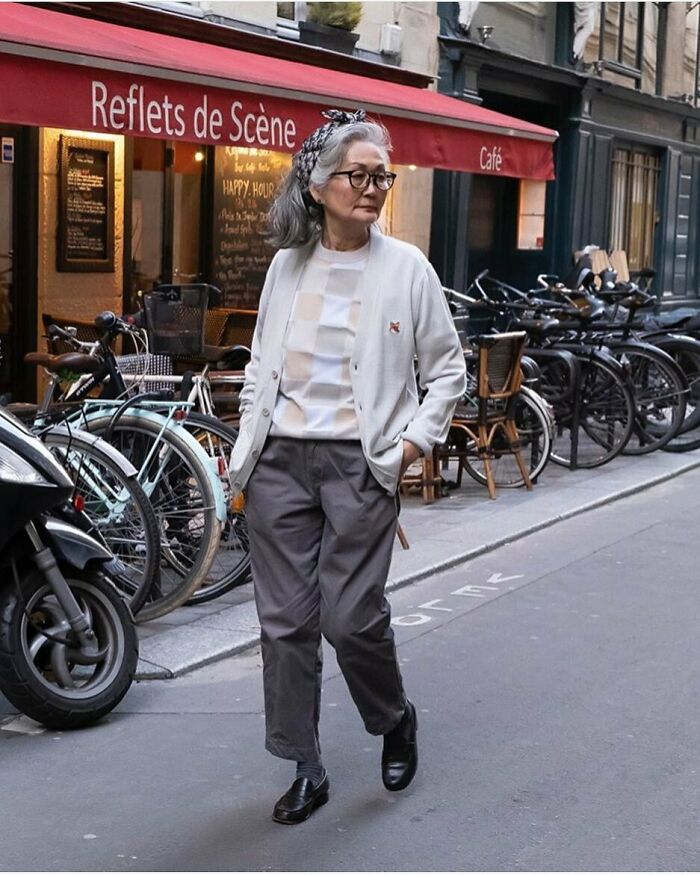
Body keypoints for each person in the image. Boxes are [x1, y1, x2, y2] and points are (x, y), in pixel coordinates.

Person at [229, 109, 466, 825]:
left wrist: (414, 444)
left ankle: (393, 716)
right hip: (279, 464)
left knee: (351, 618)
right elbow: (261, 365)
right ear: (317, 184)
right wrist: (247, 438)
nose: (371, 189)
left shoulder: (407, 270)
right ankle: (306, 765)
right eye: (356, 175)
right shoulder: (286, 266)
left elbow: (448, 370)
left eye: (379, 177)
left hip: (361, 465)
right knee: (285, 623)